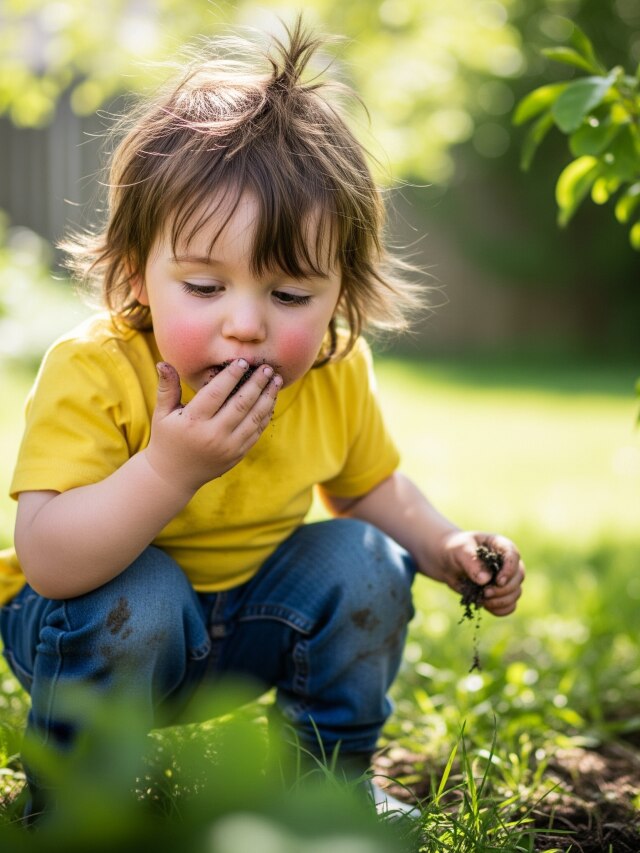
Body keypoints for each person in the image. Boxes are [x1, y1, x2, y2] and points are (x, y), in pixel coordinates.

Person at [0, 16, 524, 823]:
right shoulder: (95, 369)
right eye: (205, 288)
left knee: (366, 558)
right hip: (91, 637)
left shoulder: (330, 369)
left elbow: (369, 487)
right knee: (138, 588)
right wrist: (169, 469)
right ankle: (81, 807)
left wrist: (445, 544)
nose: (245, 325)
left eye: (287, 295)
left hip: (249, 622)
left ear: (338, 295)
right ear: (139, 273)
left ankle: (322, 785)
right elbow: (50, 561)